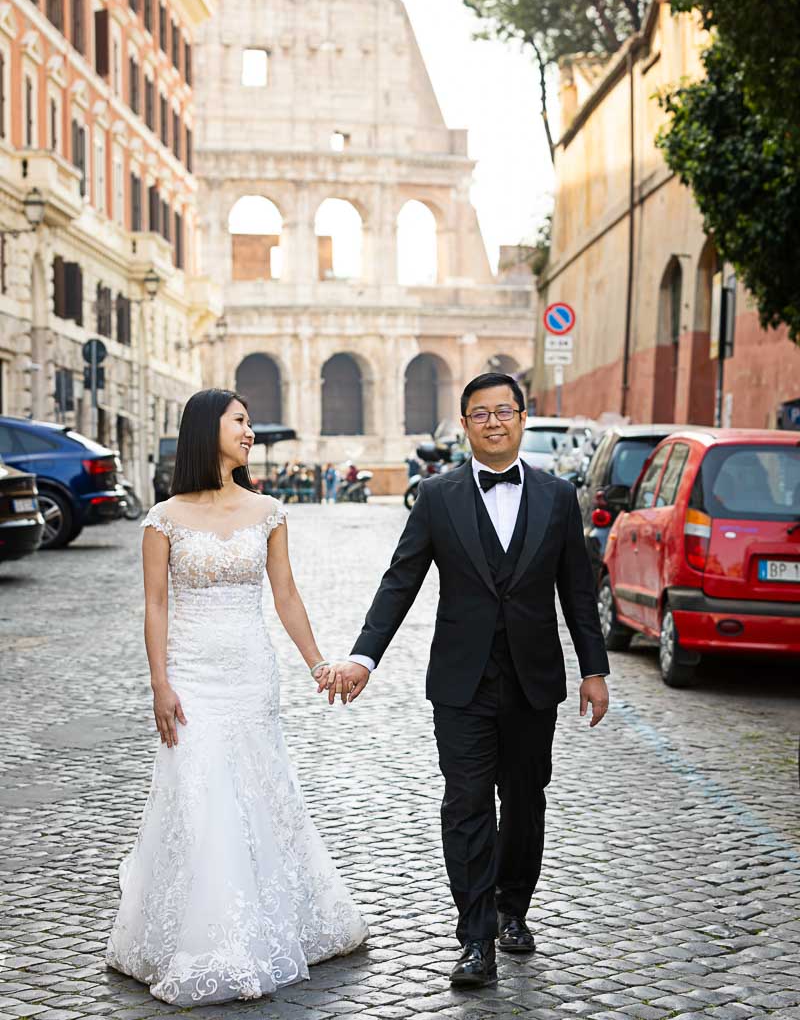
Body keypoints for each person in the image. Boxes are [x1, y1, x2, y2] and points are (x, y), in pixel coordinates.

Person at [319, 372, 609, 989]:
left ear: (523, 419)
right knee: (467, 805)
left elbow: (578, 592)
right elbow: (400, 582)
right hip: (461, 684)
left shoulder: (558, 498)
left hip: (534, 683)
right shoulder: (437, 496)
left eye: (505, 411)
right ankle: (475, 938)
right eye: (481, 414)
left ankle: (512, 909)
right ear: (466, 425)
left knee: (526, 805)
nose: (495, 422)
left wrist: (594, 669)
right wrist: (363, 658)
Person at [106, 388, 367, 1005]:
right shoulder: (162, 518)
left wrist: (318, 664)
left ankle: (274, 922)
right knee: (199, 793)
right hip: (192, 678)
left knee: (257, 789)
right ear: (207, 431)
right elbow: (155, 604)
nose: (249, 432)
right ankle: (204, 936)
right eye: (240, 422)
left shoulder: (270, 511)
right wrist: (160, 684)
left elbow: (286, 597)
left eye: (250, 423)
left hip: (252, 675)